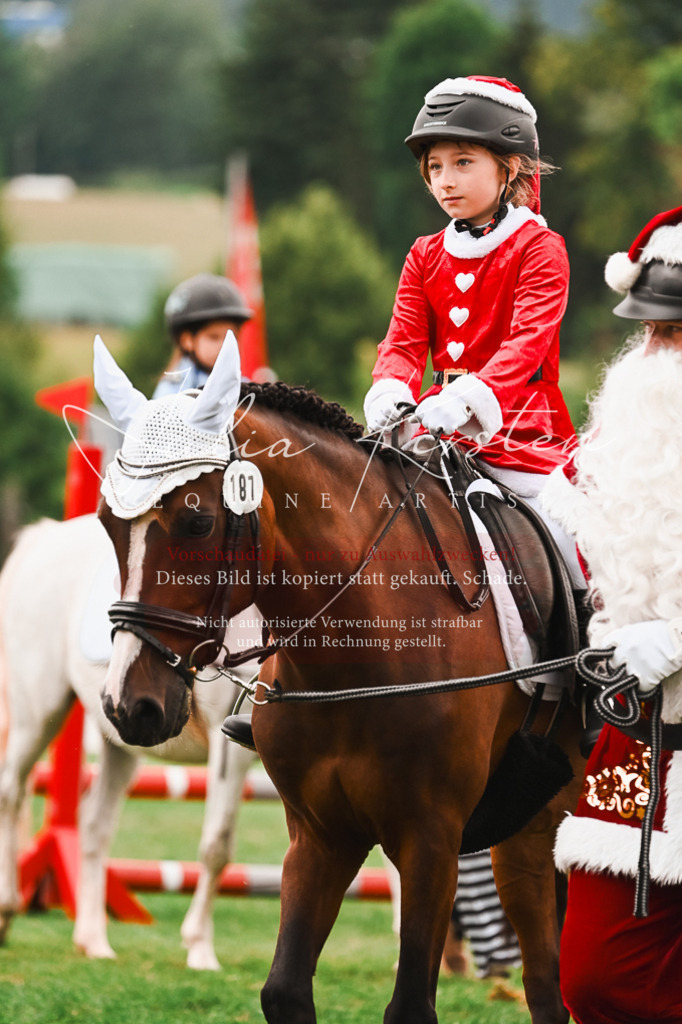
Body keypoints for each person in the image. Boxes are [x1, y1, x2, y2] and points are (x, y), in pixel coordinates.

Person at [542, 206, 682, 1024]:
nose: (661, 356)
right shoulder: (614, 446)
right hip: (635, 753)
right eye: (654, 334)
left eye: (680, 335)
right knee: (596, 976)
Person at [363, 75, 584, 585]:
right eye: (435, 167)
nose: (445, 180)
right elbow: (402, 341)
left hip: (522, 428)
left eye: (463, 163)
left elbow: (527, 344)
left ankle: (587, 648)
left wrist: (468, 398)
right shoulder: (424, 254)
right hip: (431, 427)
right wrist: (390, 391)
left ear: (510, 167)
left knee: (570, 531)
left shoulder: (539, 248)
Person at [153, 272, 253, 399]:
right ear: (187, 340)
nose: (224, 345)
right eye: (214, 337)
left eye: (232, 337)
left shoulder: (245, 386)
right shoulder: (171, 392)